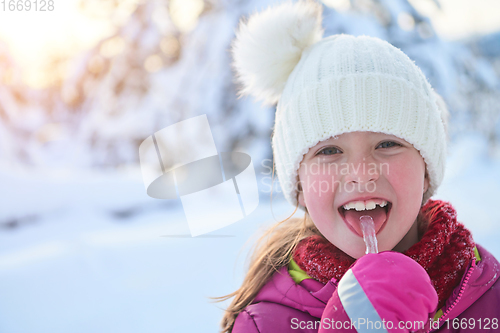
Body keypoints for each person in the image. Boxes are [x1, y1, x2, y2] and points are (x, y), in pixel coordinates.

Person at [216, 1, 500, 332]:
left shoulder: (487, 293)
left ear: (426, 171)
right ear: (300, 186)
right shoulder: (266, 323)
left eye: (387, 144)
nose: (361, 172)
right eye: (330, 150)